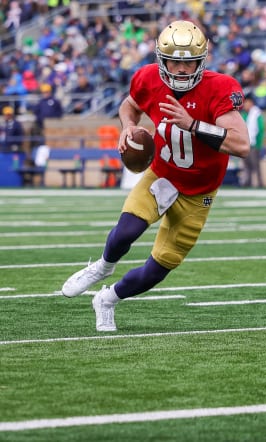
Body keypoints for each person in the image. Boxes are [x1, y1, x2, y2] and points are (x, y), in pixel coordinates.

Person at [60, 20, 250, 331]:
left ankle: (107, 299)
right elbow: (129, 105)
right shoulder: (148, 78)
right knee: (125, 232)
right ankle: (102, 267)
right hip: (161, 175)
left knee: (157, 270)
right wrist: (128, 127)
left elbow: (241, 145)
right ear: (161, 60)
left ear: (201, 61)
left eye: (189, 62)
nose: (181, 70)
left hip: (199, 192)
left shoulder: (220, 87)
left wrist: (192, 124)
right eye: (174, 61)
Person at [241, 94, 265, 188]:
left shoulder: (256, 114)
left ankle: (260, 183)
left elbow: (261, 129)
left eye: (247, 103)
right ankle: (247, 183)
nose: (245, 105)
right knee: (246, 165)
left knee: (256, 165)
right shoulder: (243, 114)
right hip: (245, 144)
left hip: (254, 144)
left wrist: (258, 144)